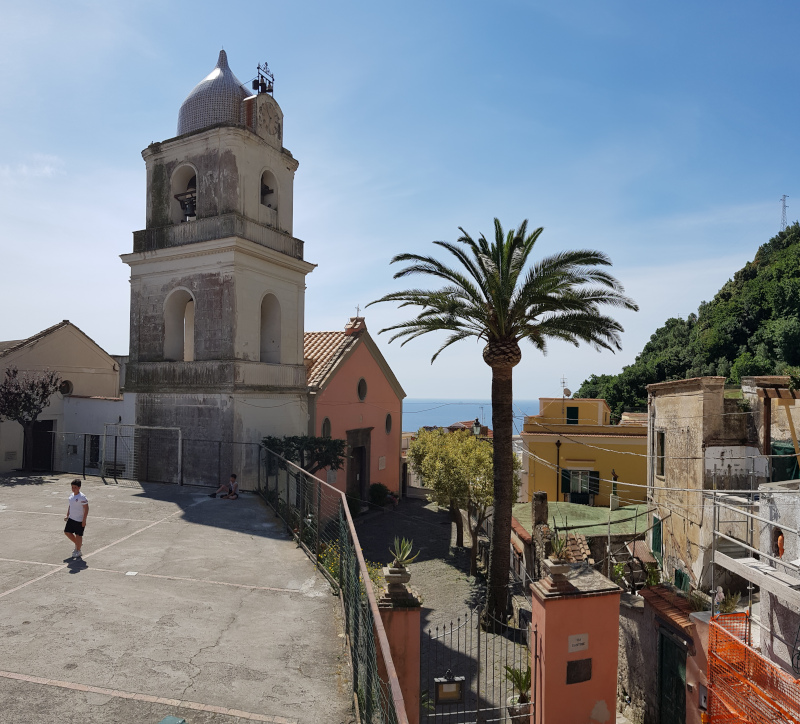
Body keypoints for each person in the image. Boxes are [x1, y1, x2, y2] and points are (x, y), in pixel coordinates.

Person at [64, 479, 89, 558]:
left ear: (79, 487)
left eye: (75, 487)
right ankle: (78, 544)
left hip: (79, 520)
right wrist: (67, 515)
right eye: (72, 487)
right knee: (67, 532)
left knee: (78, 535)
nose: (73, 489)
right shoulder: (71, 496)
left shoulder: (82, 497)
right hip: (71, 518)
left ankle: (78, 551)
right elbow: (70, 505)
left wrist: (84, 520)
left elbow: (86, 508)